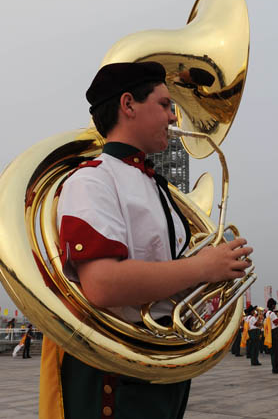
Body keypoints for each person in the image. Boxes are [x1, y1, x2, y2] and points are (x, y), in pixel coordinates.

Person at [39, 61, 253, 419]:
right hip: (115, 376)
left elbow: (167, 274)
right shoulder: (92, 181)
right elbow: (102, 285)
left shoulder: (158, 188)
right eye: (165, 104)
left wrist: (212, 273)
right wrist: (200, 266)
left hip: (158, 368)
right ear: (128, 105)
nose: (173, 117)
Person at [265, 298, 278, 374]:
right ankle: (277, 368)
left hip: (271, 332)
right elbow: (276, 322)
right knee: (277, 352)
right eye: (275, 305)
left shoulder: (267, 313)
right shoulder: (272, 314)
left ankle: (274, 367)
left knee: (273, 352)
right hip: (275, 332)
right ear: (273, 305)